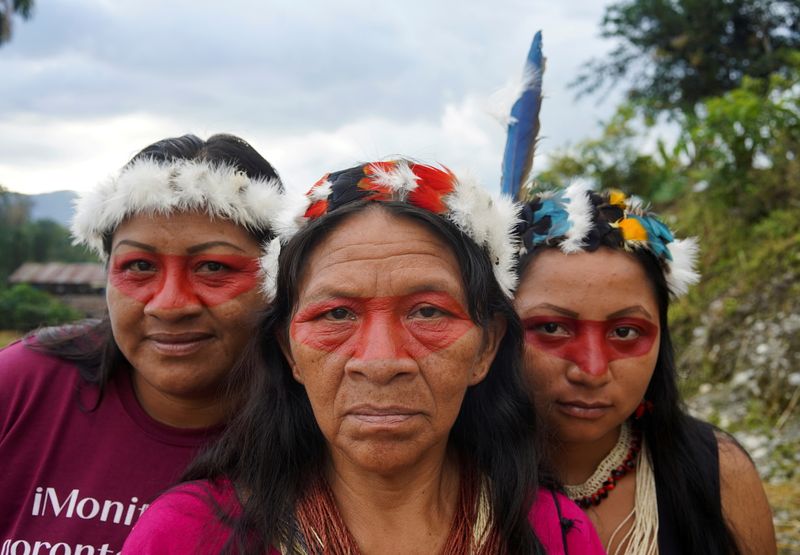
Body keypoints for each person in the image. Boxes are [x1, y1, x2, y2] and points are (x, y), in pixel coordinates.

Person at [122, 160, 606, 554]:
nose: (379, 362)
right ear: (289, 349)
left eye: (426, 312)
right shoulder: (185, 536)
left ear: (486, 346)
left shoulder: (555, 534)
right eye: (335, 315)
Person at [0, 134, 285, 553]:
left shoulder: (324, 436)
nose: (170, 305)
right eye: (139, 266)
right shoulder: (24, 387)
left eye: (212, 267)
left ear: (274, 283)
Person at [512, 185, 777, 554]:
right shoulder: (442, 481)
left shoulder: (718, 473)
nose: (591, 371)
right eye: (552, 328)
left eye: (624, 332)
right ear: (495, 333)